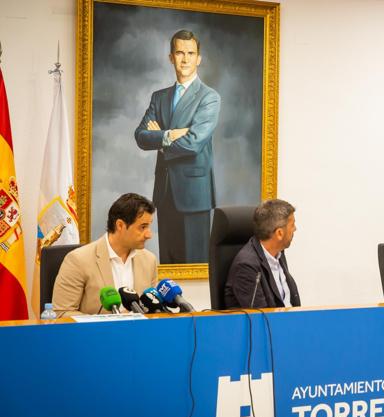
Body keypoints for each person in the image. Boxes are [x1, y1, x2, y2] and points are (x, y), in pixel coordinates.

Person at [134, 29, 221, 264]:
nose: (185, 59)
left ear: (198, 59)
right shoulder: (159, 97)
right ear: (171, 57)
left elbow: (193, 143)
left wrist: (159, 139)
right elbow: (141, 136)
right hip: (165, 192)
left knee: (195, 265)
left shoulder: (209, 97)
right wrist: (170, 135)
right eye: (180, 53)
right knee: (170, 266)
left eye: (190, 53)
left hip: (194, 194)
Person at [52, 193, 158, 317]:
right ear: (120, 225)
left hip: (140, 334)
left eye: (149, 227)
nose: (149, 235)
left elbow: (153, 307)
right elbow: (61, 313)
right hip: (95, 335)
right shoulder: (78, 260)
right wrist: (108, 320)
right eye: (142, 227)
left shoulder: (149, 260)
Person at [224, 199, 301, 308]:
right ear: (279, 233)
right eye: (292, 225)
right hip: (271, 324)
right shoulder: (246, 267)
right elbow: (261, 317)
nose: (295, 229)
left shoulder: (279, 253)